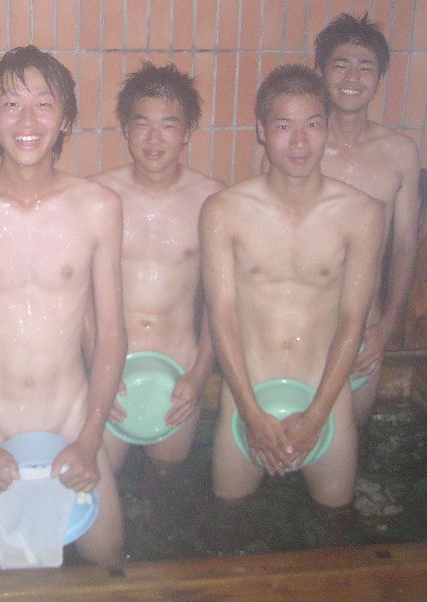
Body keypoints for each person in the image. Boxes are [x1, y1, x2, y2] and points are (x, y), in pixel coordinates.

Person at [0, 45, 127, 571]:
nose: (27, 120)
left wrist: (90, 437)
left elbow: (112, 334)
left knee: (110, 564)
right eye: (11, 104)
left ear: (65, 120)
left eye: (44, 104)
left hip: (72, 415)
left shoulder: (99, 207)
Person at [200, 65, 385, 538]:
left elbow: (353, 320)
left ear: (327, 127)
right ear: (262, 131)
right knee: (227, 527)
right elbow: (222, 317)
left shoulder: (361, 213)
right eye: (284, 126)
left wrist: (317, 414)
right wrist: (250, 412)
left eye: (313, 124)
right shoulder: (225, 211)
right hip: (246, 396)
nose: (300, 142)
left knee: (335, 527)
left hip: (326, 398)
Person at [92, 62, 221, 477]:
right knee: (101, 480)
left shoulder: (212, 201)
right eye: (142, 123)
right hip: (112, 370)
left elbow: (222, 303)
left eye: (168, 125)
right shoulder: (96, 196)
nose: (153, 138)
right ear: (126, 128)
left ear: (187, 131)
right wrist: (96, 368)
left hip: (179, 370)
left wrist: (200, 373)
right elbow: (78, 297)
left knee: (166, 481)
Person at [314, 13, 420, 426]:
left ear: (379, 78)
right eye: (340, 65)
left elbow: (406, 245)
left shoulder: (400, 152)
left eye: (365, 67)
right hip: (299, 319)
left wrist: (386, 329)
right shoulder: (301, 145)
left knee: (351, 434)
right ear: (321, 71)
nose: (352, 78)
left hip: (365, 323)